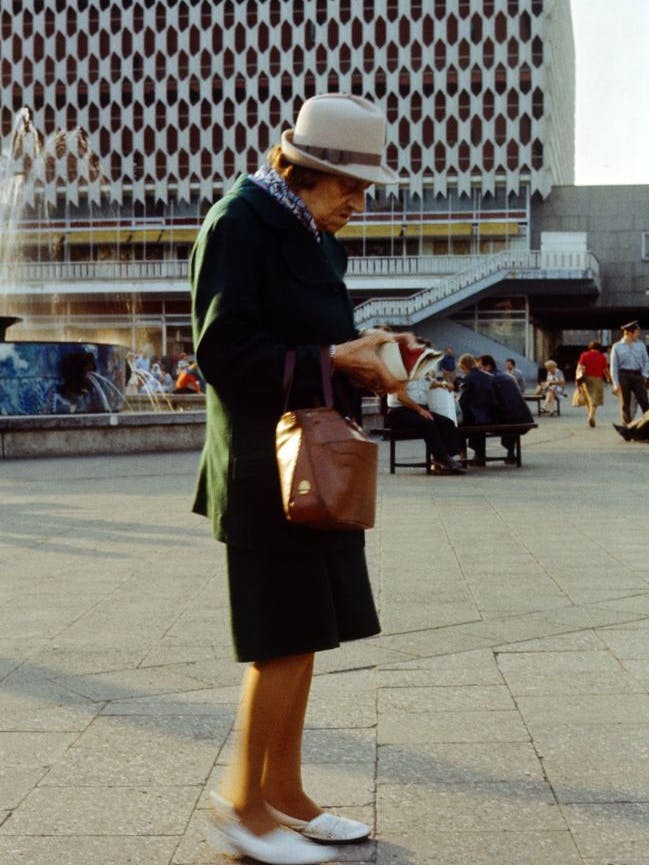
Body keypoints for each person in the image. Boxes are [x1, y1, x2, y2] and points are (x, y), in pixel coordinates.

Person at [190, 93, 403, 865]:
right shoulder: (238, 224)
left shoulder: (314, 236)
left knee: (304, 633)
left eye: (363, 188)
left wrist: (373, 357)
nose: (357, 201)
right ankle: (242, 807)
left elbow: (321, 340)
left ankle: (285, 791)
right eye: (347, 184)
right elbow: (220, 356)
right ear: (301, 168)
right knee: (279, 640)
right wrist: (332, 360)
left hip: (312, 461)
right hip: (262, 466)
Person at [386, 332, 466, 474]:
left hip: (417, 410)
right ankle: (442, 458)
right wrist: (419, 410)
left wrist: (443, 384)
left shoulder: (422, 370)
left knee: (446, 422)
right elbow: (400, 396)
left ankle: (449, 459)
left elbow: (428, 383)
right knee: (427, 422)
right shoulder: (398, 369)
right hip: (399, 412)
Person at [477, 354, 534, 463]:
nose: (478, 371)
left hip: (507, 419)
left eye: (480, 367)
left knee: (477, 420)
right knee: (508, 415)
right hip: (522, 417)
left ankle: (479, 455)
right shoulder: (507, 376)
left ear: (487, 367)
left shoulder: (488, 378)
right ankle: (511, 452)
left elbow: (487, 402)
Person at [457, 353, 497, 465]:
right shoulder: (489, 376)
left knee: (456, 423)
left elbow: (463, 401)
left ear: (464, 366)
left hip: (475, 417)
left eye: (462, 369)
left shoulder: (468, 378)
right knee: (477, 417)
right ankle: (479, 454)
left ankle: (463, 456)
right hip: (490, 415)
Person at [609, 320, 649, 425]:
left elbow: (646, 361)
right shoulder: (616, 347)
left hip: (637, 375)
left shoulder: (641, 345)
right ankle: (627, 426)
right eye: (637, 332)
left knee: (644, 401)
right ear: (630, 333)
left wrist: (644, 375)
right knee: (625, 404)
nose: (638, 334)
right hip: (624, 375)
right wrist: (615, 384)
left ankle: (647, 424)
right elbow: (614, 366)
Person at [576, 340, 611, 427]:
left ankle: (590, 415)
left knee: (588, 398)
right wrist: (608, 378)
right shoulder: (602, 356)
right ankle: (591, 416)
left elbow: (580, 367)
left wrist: (577, 379)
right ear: (599, 348)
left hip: (585, 378)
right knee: (595, 399)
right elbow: (605, 370)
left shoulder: (584, 355)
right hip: (597, 379)